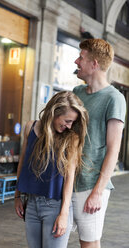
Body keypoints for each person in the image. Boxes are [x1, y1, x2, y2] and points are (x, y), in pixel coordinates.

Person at [14, 91, 88, 248]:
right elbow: (22, 163)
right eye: (67, 120)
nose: (69, 126)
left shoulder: (72, 138)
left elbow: (69, 177)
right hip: (31, 204)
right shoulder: (30, 127)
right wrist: (17, 196)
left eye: (72, 122)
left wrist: (64, 213)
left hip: (56, 206)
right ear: (54, 112)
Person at [72, 38, 126, 248]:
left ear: (94, 64)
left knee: (89, 243)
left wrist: (97, 193)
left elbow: (114, 150)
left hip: (91, 183)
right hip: (66, 180)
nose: (77, 61)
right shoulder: (76, 94)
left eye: (82, 58)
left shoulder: (114, 98)